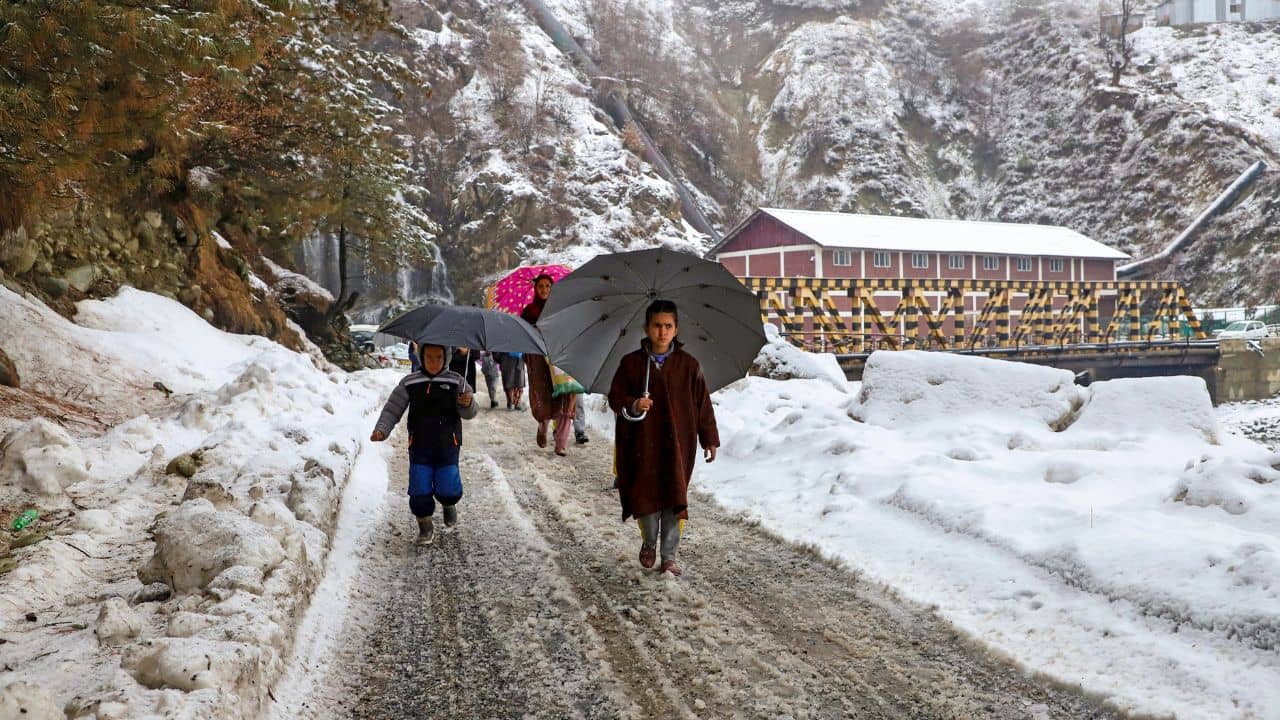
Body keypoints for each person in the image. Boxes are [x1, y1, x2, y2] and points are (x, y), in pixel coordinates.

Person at [608, 300, 718, 576]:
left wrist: (710, 440)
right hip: (641, 444)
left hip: (678, 444)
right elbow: (615, 397)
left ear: (676, 329)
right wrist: (634, 404)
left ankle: (669, 556)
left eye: (668, 326)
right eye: (657, 325)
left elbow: (702, 405)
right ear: (647, 328)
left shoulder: (689, 366)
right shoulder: (632, 364)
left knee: (673, 498)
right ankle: (648, 541)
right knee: (645, 496)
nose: (662, 331)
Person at [370, 343, 476, 545]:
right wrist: (382, 430)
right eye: (429, 357)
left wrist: (467, 403)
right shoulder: (410, 382)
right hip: (420, 445)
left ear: (446, 357)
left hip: (448, 445)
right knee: (419, 487)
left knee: (448, 487)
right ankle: (424, 525)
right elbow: (393, 409)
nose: (434, 362)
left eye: (438, 357)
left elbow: (470, 413)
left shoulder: (457, 381)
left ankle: (448, 503)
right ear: (421, 356)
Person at [521, 274, 578, 456]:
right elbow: (523, 334)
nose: (544, 289)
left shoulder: (561, 309)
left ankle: (561, 442)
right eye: (541, 286)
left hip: (560, 355)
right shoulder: (529, 311)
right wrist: (536, 330)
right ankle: (542, 424)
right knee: (544, 394)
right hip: (538, 358)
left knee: (567, 394)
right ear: (535, 289)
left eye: (548, 286)